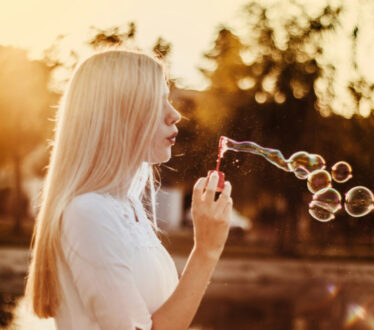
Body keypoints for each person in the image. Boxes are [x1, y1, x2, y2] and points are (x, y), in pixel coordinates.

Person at [24, 48, 233, 330]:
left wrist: (206, 250)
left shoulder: (126, 206)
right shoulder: (88, 212)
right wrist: (206, 251)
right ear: (120, 113)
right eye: (158, 101)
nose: (175, 115)